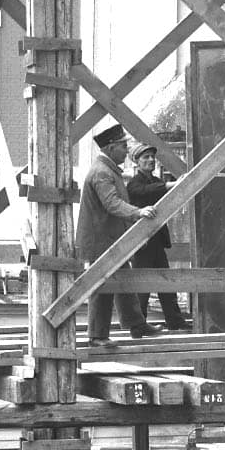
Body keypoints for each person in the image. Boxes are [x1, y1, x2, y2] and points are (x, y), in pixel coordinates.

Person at [75, 125, 148, 351]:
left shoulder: (108, 170)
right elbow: (112, 204)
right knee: (101, 286)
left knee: (123, 278)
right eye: (123, 146)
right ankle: (97, 336)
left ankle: (136, 325)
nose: (127, 150)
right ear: (111, 148)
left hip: (108, 238)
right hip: (100, 241)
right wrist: (138, 212)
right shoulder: (102, 173)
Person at [121, 140, 188, 337]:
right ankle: (138, 325)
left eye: (152, 157)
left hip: (156, 240)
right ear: (137, 162)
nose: (150, 160)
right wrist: (171, 184)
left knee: (165, 281)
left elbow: (158, 189)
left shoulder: (154, 181)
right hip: (142, 242)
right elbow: (144, 191)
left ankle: (174, 321)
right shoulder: (135, 183)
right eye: (146, 157)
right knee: (142, 285)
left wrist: (174, 185)